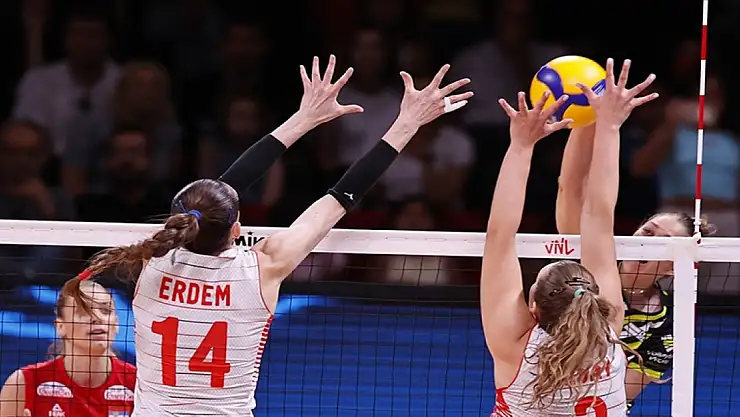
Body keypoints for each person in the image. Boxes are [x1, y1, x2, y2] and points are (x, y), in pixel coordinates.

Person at [61, 56, 472, 416]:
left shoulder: (151, 258)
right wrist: (406, 123)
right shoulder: (261, 268)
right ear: (237, 229)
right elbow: (340, 197)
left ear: (178, 219)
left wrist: (302, 119)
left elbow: (216, 195)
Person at [481, 58, 658, 416]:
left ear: (532, 307)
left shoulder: (515, 347)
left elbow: (502, 234)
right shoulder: (608, 333)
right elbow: (597, 216)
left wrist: (521, 146)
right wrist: (608, 126)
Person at [555, 85, 717, 412]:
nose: (647, 242)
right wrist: (585, 120)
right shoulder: (590, 266)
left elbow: (623, 390)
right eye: (647, 232)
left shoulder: (671, 317)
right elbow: (570, 188)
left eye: (662, 241)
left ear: (674, 265)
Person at [0, 281, 136, 417]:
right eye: (83, 312)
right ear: (60, 327)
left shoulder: (138, 383)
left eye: (105, 311)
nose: (97, 318)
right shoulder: (22, 383)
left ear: (116, 324)